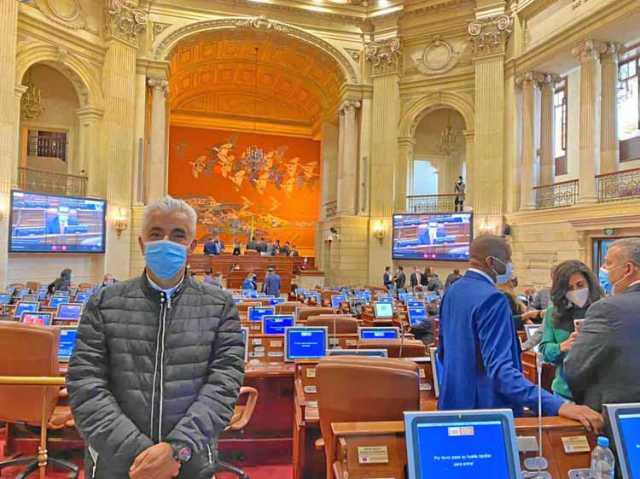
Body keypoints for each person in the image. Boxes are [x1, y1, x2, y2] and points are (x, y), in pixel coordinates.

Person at [67, 196, 244, 478]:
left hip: (189, 463)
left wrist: (176, 451)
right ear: (141, 244)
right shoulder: (103, 303)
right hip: (117, 464)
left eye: (178, 235)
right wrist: (141, 456)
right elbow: (85, 385)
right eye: (156, 234)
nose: (166, 242)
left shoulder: (220, 306)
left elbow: (223, 385)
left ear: (192, 246)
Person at [437, 234, 603, 431]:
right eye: (508, 260)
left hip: (452, 404)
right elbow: (501, 372)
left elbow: (443, 352)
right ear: (491, 262)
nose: (510, 266)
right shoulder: (493, 299)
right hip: (486, 412)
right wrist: (557, 405)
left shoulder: (453, 291)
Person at [565, 238, 640, 412]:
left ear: (628, 269)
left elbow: (575, 367)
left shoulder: (607, 309)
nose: (604, 269)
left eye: (608, 263)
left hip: (617, 416)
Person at [538, 260, 603, 402]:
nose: (575, 291)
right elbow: (544, 350)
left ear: (589, 283)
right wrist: (562, 346)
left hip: (599, 391)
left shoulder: (604, 309)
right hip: (565, 393)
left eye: (580, 285)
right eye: (569, 288)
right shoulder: (553, 313)